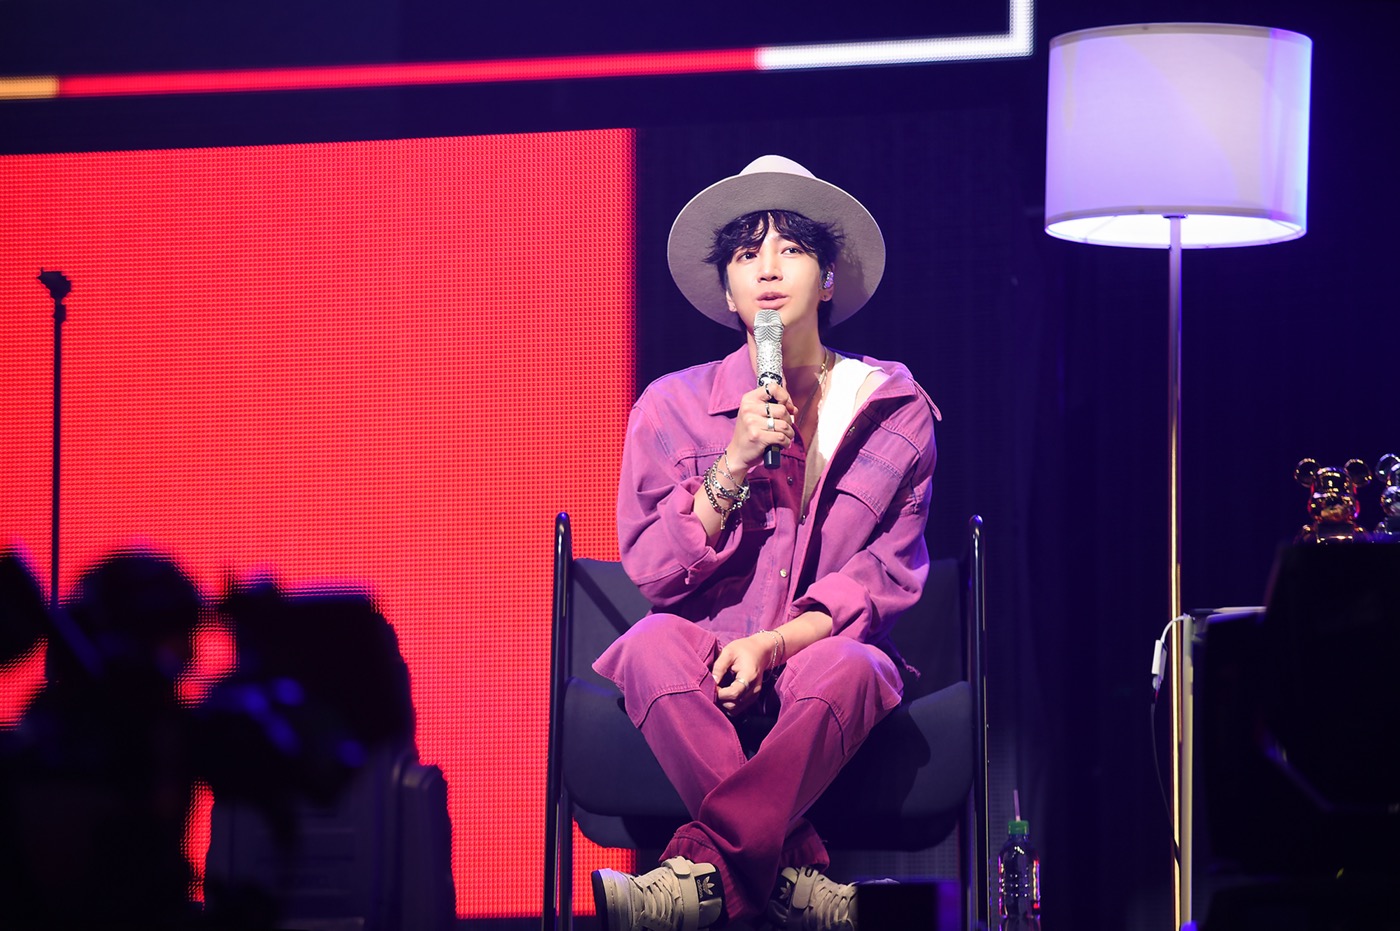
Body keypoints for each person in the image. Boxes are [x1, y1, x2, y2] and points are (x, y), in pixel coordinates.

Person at [590, 155, 940, 931]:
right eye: (748, 253)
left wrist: (774, 646)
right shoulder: (668, 406)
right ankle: (791, 877)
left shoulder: (893, 409)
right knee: (647, 646)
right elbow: (655, 571)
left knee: (857, 666)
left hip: (818, 650)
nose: (769, 269)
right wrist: (735, 461)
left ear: (829, 277)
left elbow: (880, 582)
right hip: (705, 651)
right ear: (726, 289)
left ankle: (703, 876)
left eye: (792, 249)